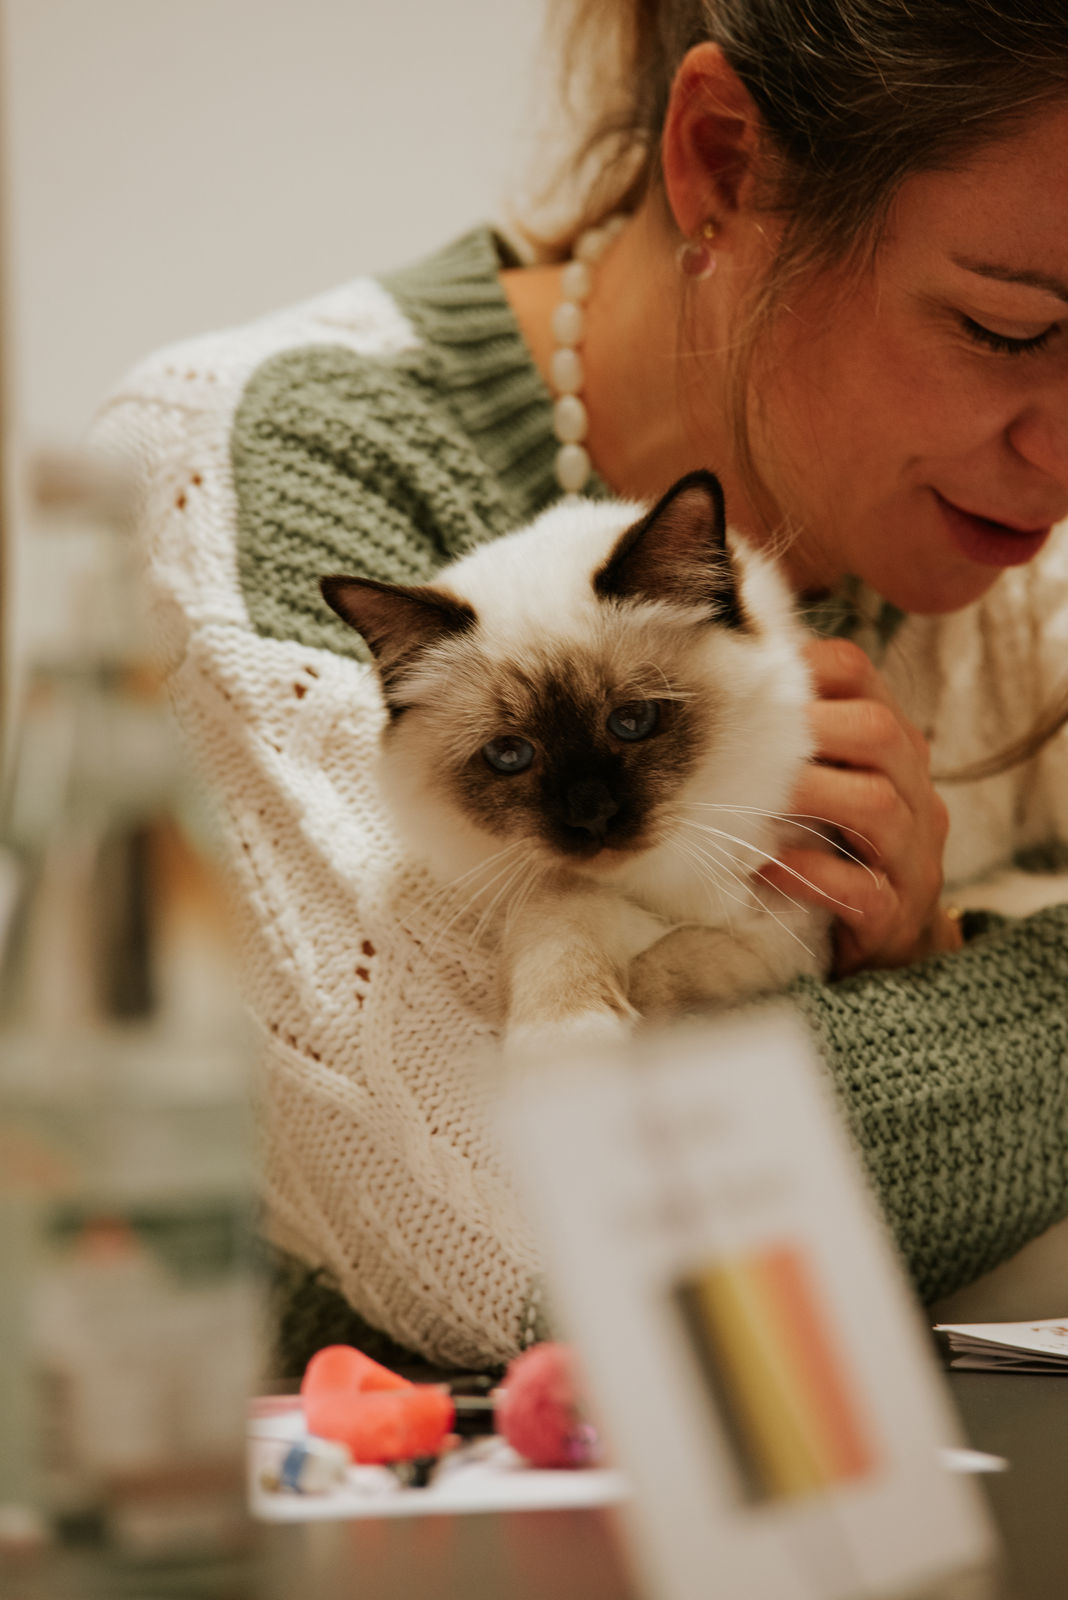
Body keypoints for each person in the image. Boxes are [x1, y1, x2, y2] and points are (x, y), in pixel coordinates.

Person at [93, 0, 1068, 1373]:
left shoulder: (1012, 569)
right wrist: (966, 995)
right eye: (1007, 328)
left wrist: (928, 956)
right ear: (723, 160)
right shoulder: (249, 473)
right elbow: (524, 1243)